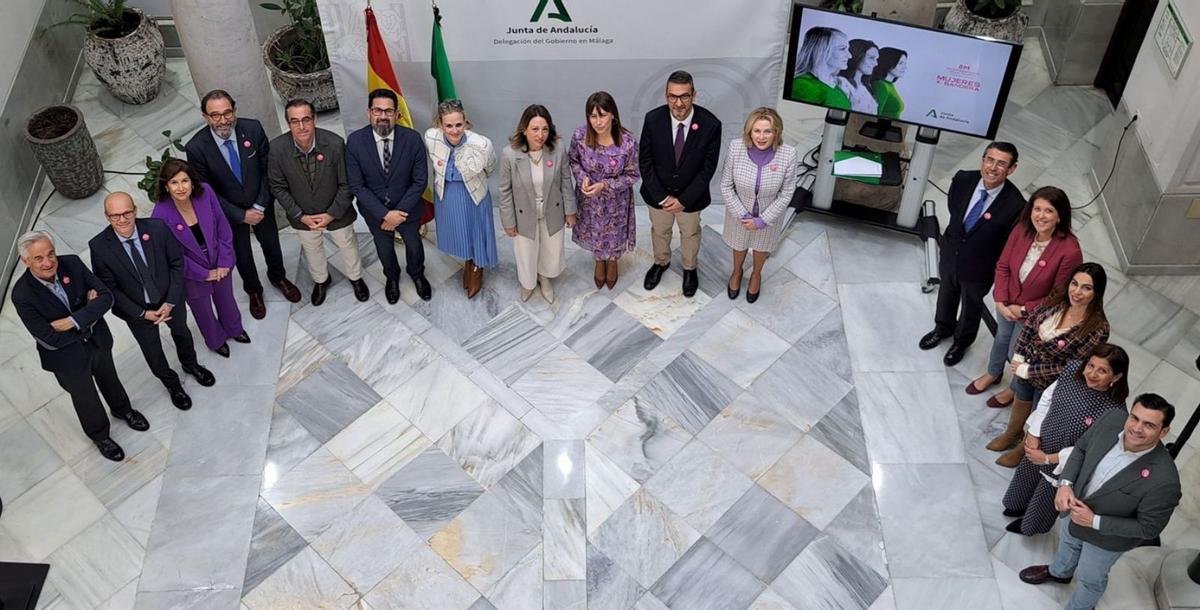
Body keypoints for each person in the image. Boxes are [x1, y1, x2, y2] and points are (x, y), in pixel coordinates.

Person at [1019, 395, 1181, 610]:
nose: (1136, 428)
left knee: (1090, 578)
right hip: (1072, 508)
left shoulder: (1165, 480)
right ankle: (1059, 573)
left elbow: (1150, 528)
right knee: (1067, 544)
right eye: (1134, 418)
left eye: (1149, 425)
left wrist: (1094, 521)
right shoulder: (1113, 418)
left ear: (1164, 432)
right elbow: (1081, 449)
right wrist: (1065, 484)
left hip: (1106, 539)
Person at [11, 231, 149, 462]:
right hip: (66, 357)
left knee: (109, 377)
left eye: (50, 254)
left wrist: (72, 322)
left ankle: (123, 409)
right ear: (26, 261)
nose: (48, 262)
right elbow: (48, 337)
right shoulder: (22, 294)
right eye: (38, 258)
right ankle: (100, 436)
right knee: (85, 397)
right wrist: (88, 313)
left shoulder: (72, 264)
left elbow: (106, 297)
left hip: (98, 341)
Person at [89, 192, 216, 411]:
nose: (122, 220)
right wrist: (141, 313)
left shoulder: (157, 229)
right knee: (152, 351)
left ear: (135, 210)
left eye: (126, 213)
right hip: (138, 312)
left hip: (170, 300)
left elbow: (176, 264)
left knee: (182, 333)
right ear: (107, 216)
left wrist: (171, 301)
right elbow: (109, 288)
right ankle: (172, 384)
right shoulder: (99, 246)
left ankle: (191, 364)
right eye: (114, 215)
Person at [185, 89, 300, 319]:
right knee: (241, 253)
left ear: (235, 111)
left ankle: (278, 277)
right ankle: (254, 290)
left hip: (261, 203)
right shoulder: (196, 147)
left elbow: (269, 169)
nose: (223, 120)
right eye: (215, 115)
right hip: (229, 213)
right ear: (205, 117)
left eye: (227, 113)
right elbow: (206, 191)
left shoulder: (253, 129)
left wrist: (259, 206)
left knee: (271, 243)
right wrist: (239, 214)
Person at [988, 262, 1111, 466]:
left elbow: (1075, 364)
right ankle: (1012, 433)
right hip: (1025, 368)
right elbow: (1030, 325)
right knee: (1021, 396)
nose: (1077, 292)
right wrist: (1018, 354)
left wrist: (1031, 371)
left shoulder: (1097, 328)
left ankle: (1022, 449)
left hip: (1051, 382)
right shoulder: (1056, 301)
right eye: (1075, 284)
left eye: (1086, 288)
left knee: (1040, 415)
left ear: (1096, 293)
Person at [968, 186, 1082, 403]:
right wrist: (1000, 300)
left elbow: (1060, 294)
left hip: (1034, 314)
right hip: (1006, 302)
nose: (1040, 216)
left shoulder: (1070, 251)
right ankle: (993, 373)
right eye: (1037, 209)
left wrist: (1023, 309)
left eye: (1048, 211)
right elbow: (1003, 266)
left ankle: (1013, 388)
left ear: (1059, 216)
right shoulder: (1021, 230)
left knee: (1017, 353)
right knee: (1001, 338)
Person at [1002, 344, 1129, 535]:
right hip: (1040, 445)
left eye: (1102, 371)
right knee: (1025, 478)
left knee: (1045, 498)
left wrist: (1047, 459)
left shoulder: (1115, 412)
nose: (1092, 374)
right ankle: (1016, 505)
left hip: (1062, 465)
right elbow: (1047, 398)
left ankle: (1030, 526)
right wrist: (1034, 434)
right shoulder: (1072, 371)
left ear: (1116, 377)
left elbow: (1092, 451)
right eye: (1090, 365)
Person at [920, 142, 1026, 365]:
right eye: (989, 160)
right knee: (946, 294)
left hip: (981, 266)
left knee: (971, 306)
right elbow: (954, 209)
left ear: (1012, 169)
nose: (993, 167)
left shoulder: (1016, 204)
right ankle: (942, 329)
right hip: (951, 253)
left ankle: (961, 342)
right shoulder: (963, 180)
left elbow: (1008, 242)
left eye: (1001, 163)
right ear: (983, 159)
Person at [267, 98, 369, 306]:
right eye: (295, 121)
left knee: (347, 245)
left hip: (337, 212)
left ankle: (356, 277)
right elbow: (278, 187)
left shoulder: (335, 143)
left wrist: (331, 213)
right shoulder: (277, 149)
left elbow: (347, 183)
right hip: (303, 216)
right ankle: (321, 281)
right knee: (312, 250)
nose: (301, 126)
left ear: (315, 119)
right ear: (288, 123)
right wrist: (300, 216)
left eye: (306, 119)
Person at [152, 158, 250, 357]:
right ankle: (215, 340)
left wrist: (224, 262)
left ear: (192, 181)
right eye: (174, 182)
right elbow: (172, 255)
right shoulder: (160, 214)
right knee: (202, 309)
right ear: (166, 186)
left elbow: (223, 227)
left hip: (218, 260)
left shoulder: (205, 192)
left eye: (184, 180)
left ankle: (234, 329)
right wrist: (203, 274)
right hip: (191, 272)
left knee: (226, 299)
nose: (181, 188)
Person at [639, 71, 722, 297]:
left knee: (690, 234)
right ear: (666, 96)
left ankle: (689, 269)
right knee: (660, 231)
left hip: (691, 199)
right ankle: (661, 263)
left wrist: (684, 199)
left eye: (684, 96)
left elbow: (708, 169)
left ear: (693, 95)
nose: (678, 103)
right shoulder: (653, 119)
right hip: (658, 197)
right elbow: (645, 162)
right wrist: (664, 198)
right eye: (672, 96)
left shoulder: (711, 124)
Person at [346, 88, 431, 303]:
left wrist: (398, 213)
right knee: (384, 249)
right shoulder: (355, 142)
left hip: (408, 211)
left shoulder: (413, 139)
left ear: (397, 114)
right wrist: (384, 214)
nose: (382, 116)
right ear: (369, 113)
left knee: (414, 246)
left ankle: (417, 274)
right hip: (376, 214)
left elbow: (420, 181)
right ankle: (392, 278)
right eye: (377, 110)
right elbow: (357, 185)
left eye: (388, 111)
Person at [718, 107, 799, 303]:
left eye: (767, 131)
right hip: (739, 214)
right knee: (739, 244)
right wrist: (743, 215)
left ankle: (756, 274)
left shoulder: (788, 154)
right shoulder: (736, 147)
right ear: (749, 131)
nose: (761, 137)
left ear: (776, 132)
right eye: (757, 131)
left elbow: (787, 192)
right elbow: (726, 185)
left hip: (769, 215)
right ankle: (736, 272)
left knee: (762, 247)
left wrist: (763, 220)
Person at [498, 104, 577, 302]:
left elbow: (566, 180)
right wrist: (508, 221)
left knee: (551, 248)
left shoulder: (557, 149)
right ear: (524, 129)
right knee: (526, 251)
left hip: (552, 209)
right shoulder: (510, 154)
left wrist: (570, 211)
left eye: (544, 129)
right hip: (525, 213)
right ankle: (528, 283)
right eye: (535, 129)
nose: (540, 135)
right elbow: (504, 191)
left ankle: (545, 278)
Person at [424, 99, 499, 299]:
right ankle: (468, 260)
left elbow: (490, 168)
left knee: (475, 231)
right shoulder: (431, 138)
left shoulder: (482, 144)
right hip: (447, 195)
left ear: (466, 122)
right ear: (440, 125)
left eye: (459, 124)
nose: (455, 130)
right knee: (460, 232)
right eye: (449, 125)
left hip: (473, 194)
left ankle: (477, 266)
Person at [568, 91, 639, 290]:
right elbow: (573, 160)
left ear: (613, 115)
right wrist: (583, 178)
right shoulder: (580, 136)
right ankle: (599, 260)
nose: (598, 122)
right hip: (590, 200)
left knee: (614, 233)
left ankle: (613, 260)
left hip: (616, 202)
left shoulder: (627, 142)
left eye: (602, 115)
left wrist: (606, 185)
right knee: (594, 231)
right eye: (593, 116)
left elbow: (633, 174)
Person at [790, 26, 852, 109]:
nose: (849, 56)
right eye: (842, 49)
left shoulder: (837, 89)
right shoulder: (804, 85)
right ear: (822, 50)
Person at [837, 39, 880, 114]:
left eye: (876, 59)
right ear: (857, 55)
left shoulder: (867, 87)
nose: (876, 63)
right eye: (871, 58)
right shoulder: (842, 83)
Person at [869, 48, 908, 119]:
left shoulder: (890, 85)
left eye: (905, 64)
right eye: (900, 63)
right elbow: (875, 114)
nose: (904, 67)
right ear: (888, 62)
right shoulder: (881, 85)